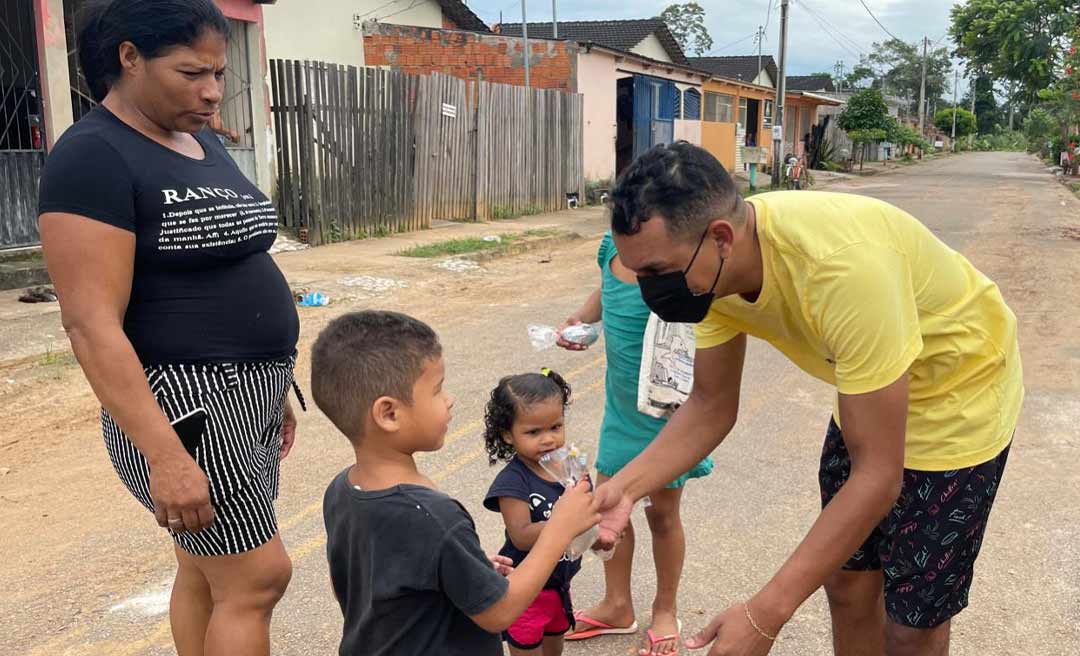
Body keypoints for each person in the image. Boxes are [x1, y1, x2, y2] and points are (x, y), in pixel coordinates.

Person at [593, 142, 1022, 656]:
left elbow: (878, 475)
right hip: (870, 388)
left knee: (911, 623)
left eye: (656, 272)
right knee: (845, 586)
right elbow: (709, 406)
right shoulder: (709, 276)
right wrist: (623, 489)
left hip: (959, 394)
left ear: (721, 238)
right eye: (638, 272)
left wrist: (764, 614)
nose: (649, 291)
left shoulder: (841, 269)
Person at [37, 2, 302, 654]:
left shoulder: (202, 140)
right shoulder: (92, 156)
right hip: (184, 401)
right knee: (257, 578)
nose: (212, 91)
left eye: (218, 71)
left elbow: (238, 258)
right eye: (192, 73)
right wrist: (164, 455)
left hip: (248, 393)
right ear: (129, 58)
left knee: (204, 568)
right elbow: (90, 325)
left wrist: (278, 387)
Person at [313, 310, 602, 656]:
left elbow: (353, 582)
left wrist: (467, 569)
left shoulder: (342, 489)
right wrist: (559, 529)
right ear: (389, 414)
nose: (450, 399)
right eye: (437, 390)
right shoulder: (436, 516)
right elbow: (501, 612)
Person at [557, 232, 712, 656]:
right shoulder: (611, 248)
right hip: (620, 410)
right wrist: (581, 320)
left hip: (666, 413)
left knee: (662, 516)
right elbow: (604, 291)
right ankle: (617, 604)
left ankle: (666, 608)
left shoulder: (674, 254)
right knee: (609, 511)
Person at [482, 369, 584, 656]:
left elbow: (588, 513)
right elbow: (521, 536)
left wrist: (597, 532)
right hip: (526, 593)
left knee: (554, 646)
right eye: (533, 432)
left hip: (559, 585)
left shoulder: (568, 468)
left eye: (555, 427)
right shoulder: (512, 481)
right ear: (508, 435)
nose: (549, 439)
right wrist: (571, 524)